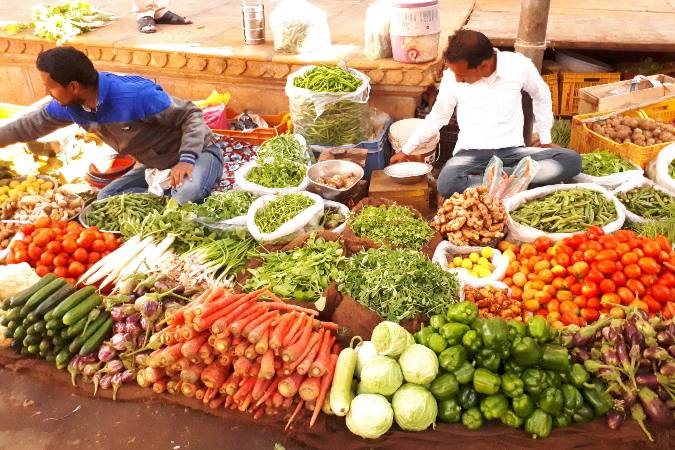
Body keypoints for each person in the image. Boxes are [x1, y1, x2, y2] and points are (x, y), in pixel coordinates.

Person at [0, 46, 223, 205]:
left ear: (73, 86)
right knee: (104, 199)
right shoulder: (69, 106)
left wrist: (186, 160)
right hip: (155, 164)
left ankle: (173, 193)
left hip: (198, 154)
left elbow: (191, 114)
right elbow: (29, 125)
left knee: (184, 197)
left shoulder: (135, 95)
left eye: (50, 87)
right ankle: (161, 195)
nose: (47, 93)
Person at [391, 30, 581, 198]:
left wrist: (545, 137)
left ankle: (499, 182)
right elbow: (438, 116)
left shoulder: (519, 66)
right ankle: (519, 182)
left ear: (483, 66)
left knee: (571, 160)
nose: (458, 79)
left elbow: (541, 94)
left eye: (462, 75)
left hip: (513, 152)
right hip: (471, 155)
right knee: (447, 181)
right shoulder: (451, 77)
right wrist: (407, 149)